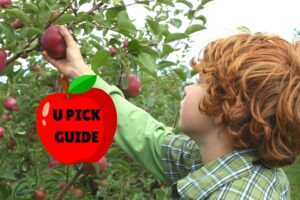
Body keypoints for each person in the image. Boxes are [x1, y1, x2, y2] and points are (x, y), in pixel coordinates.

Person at [43, 26, 300, 199]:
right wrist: (82, 73)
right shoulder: (223, 160)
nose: (188, 88)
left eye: (200, 82)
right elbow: (148, 137)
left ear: (228, 106)